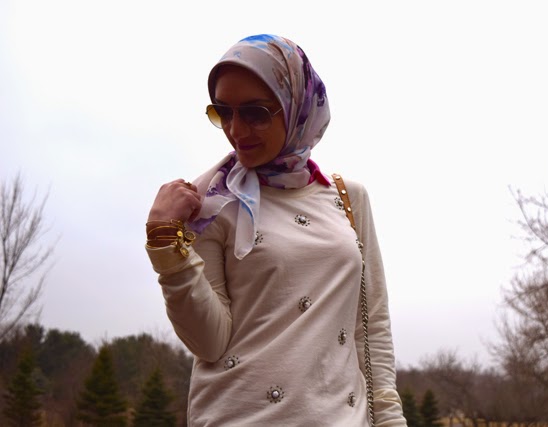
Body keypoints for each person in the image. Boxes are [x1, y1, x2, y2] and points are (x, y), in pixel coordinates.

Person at [145, 34, 407, 426]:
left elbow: (371, 326)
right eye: (223, 112)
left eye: (255, 113)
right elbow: (209, 343)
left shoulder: (348, 198)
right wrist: (165, 242)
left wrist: (389, 419)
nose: (236, 129)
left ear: (297, 104)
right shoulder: (211, 204)